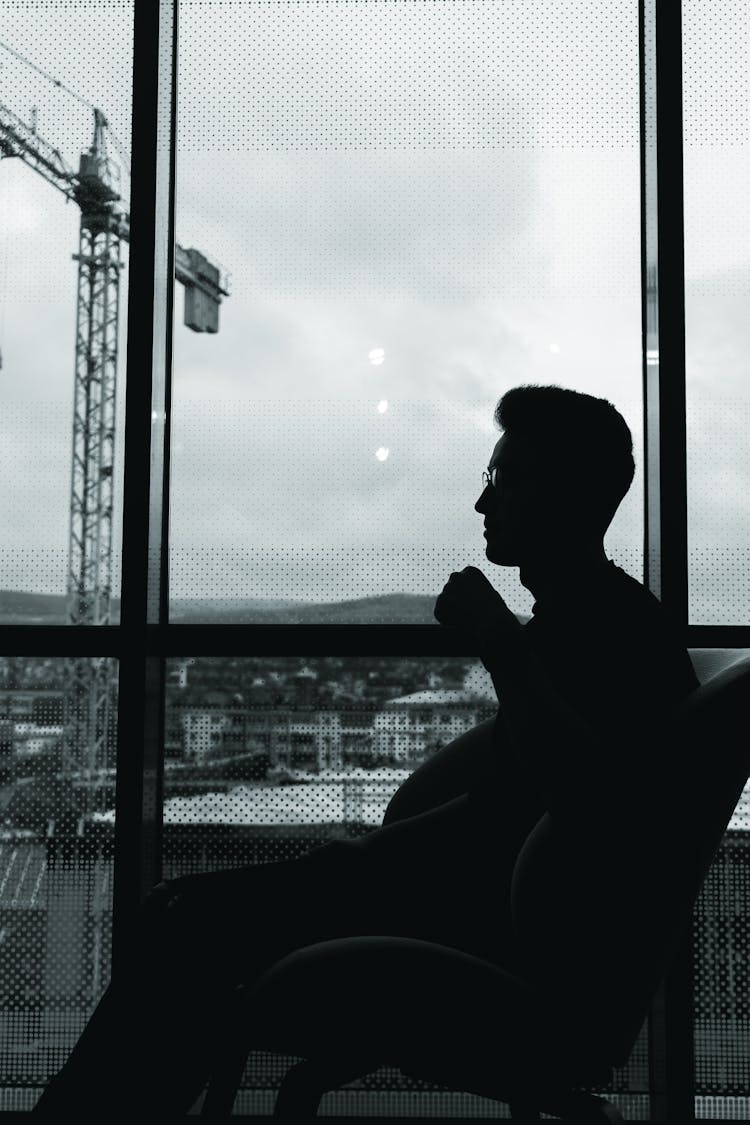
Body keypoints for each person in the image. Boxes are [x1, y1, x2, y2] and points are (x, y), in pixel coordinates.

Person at [33, 385, 698, 1116]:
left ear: (567, 493)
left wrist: (498, 643)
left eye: (503, 479)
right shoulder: (614, 625)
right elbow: (523, 808)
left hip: (480, 939)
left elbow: (574, 802)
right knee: (184, 925)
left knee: (179, 924)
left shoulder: (590, 638)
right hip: (493, 926)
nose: (483, 504)